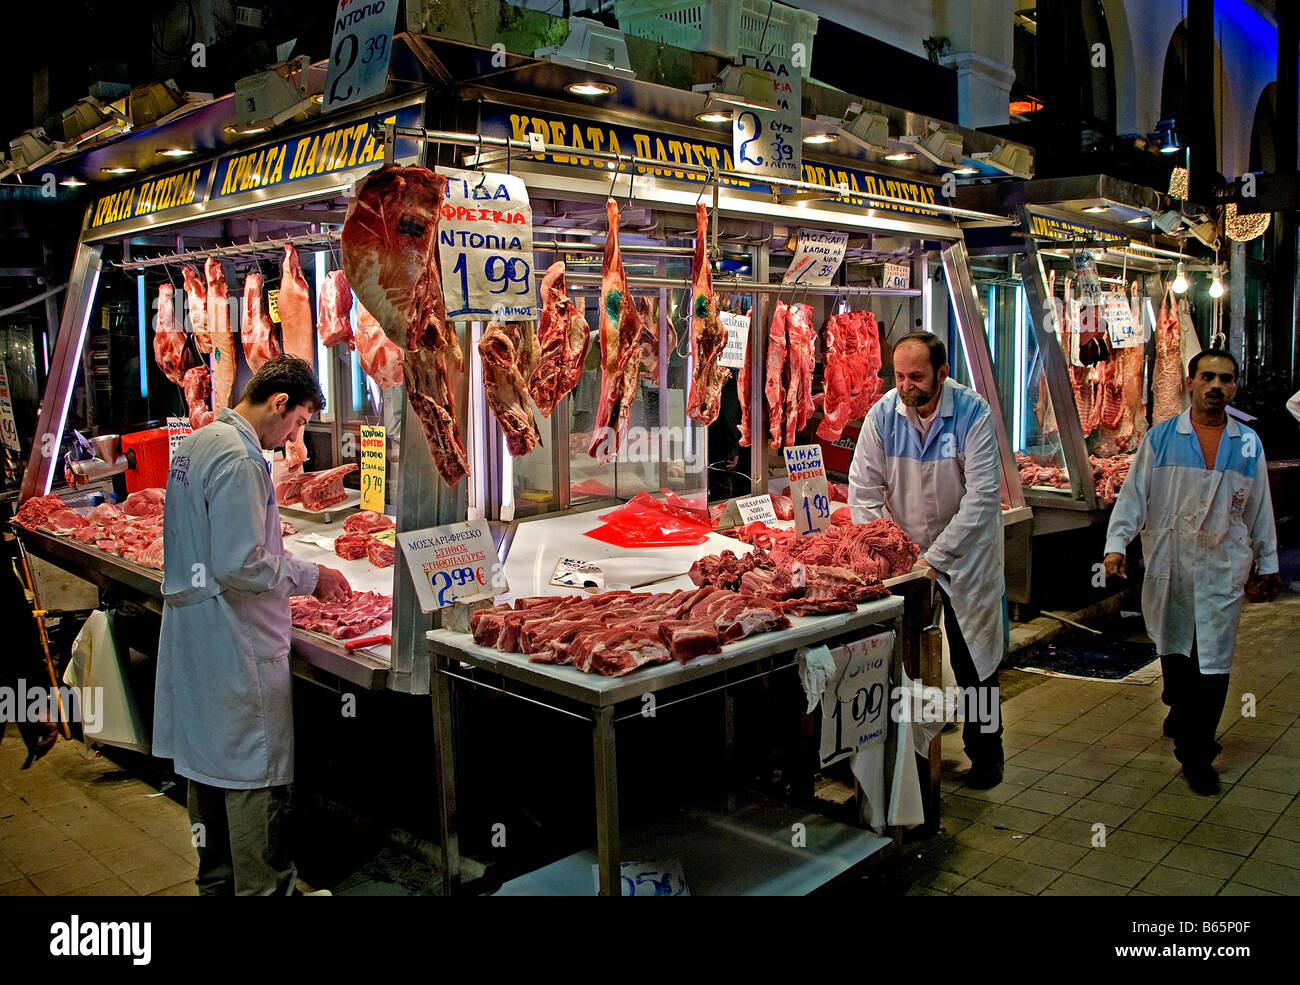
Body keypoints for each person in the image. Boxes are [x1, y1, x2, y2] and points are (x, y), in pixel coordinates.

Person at [154, 356, 351, 895]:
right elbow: (241, 563)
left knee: (208, 776)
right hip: (235, 646)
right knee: (250, 780)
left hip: (199, 641)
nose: (294, 435)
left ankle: (216, 886)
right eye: (297, 422)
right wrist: (312, 576)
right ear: (280, 403)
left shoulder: (196, 444)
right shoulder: (241, 459)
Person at [1103, 349, 1279, 796]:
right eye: (1208, 378)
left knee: (1213, 661)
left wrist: (1268, 562)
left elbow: (1260, 509)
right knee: (1175, 651)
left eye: (1226, 379)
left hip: (1223, 565)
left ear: (1235, 387)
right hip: (1171, 563)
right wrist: (1115, 546)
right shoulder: (1162, 438)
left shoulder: (1247, 444)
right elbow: (1133, 496)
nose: (1216, 386)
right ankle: (1180, 710)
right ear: (1191, 382)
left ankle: (1196, 754)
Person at [848, 332, 1006, 788]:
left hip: (966, 558)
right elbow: (863, 491)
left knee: (976, 663)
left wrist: (935, 558)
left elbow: (981, 499)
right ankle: (911, 762)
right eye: (898, 375)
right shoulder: (882, 416)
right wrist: (891, 548)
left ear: (942, 372)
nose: (906, 385)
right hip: (905, 559)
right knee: (908, 661)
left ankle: (986, 755)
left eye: (916, 376)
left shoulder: (973, 414)